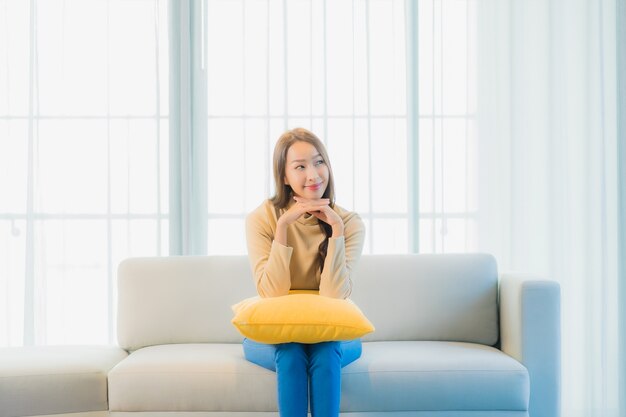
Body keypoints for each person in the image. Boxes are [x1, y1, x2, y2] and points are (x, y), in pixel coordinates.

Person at [243, 127, 366, 417]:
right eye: (300, 166)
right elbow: (271, 293)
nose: (313, 174)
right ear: (284, 177)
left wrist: (336, 231)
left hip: (331, 333)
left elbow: (336, 295)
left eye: (319, 161)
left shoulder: (349, 223)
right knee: (290, 354)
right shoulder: (262, 219)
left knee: (325, 352)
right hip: (276, 332)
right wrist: (284, 228)